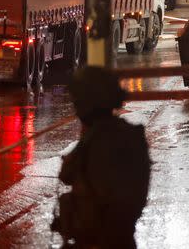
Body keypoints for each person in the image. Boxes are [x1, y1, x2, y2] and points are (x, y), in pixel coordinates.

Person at [52, 67, 151, 248]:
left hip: (97, 241)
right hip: (123, 238)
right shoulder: (132, 135)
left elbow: (66, 174)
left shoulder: (98, 139)